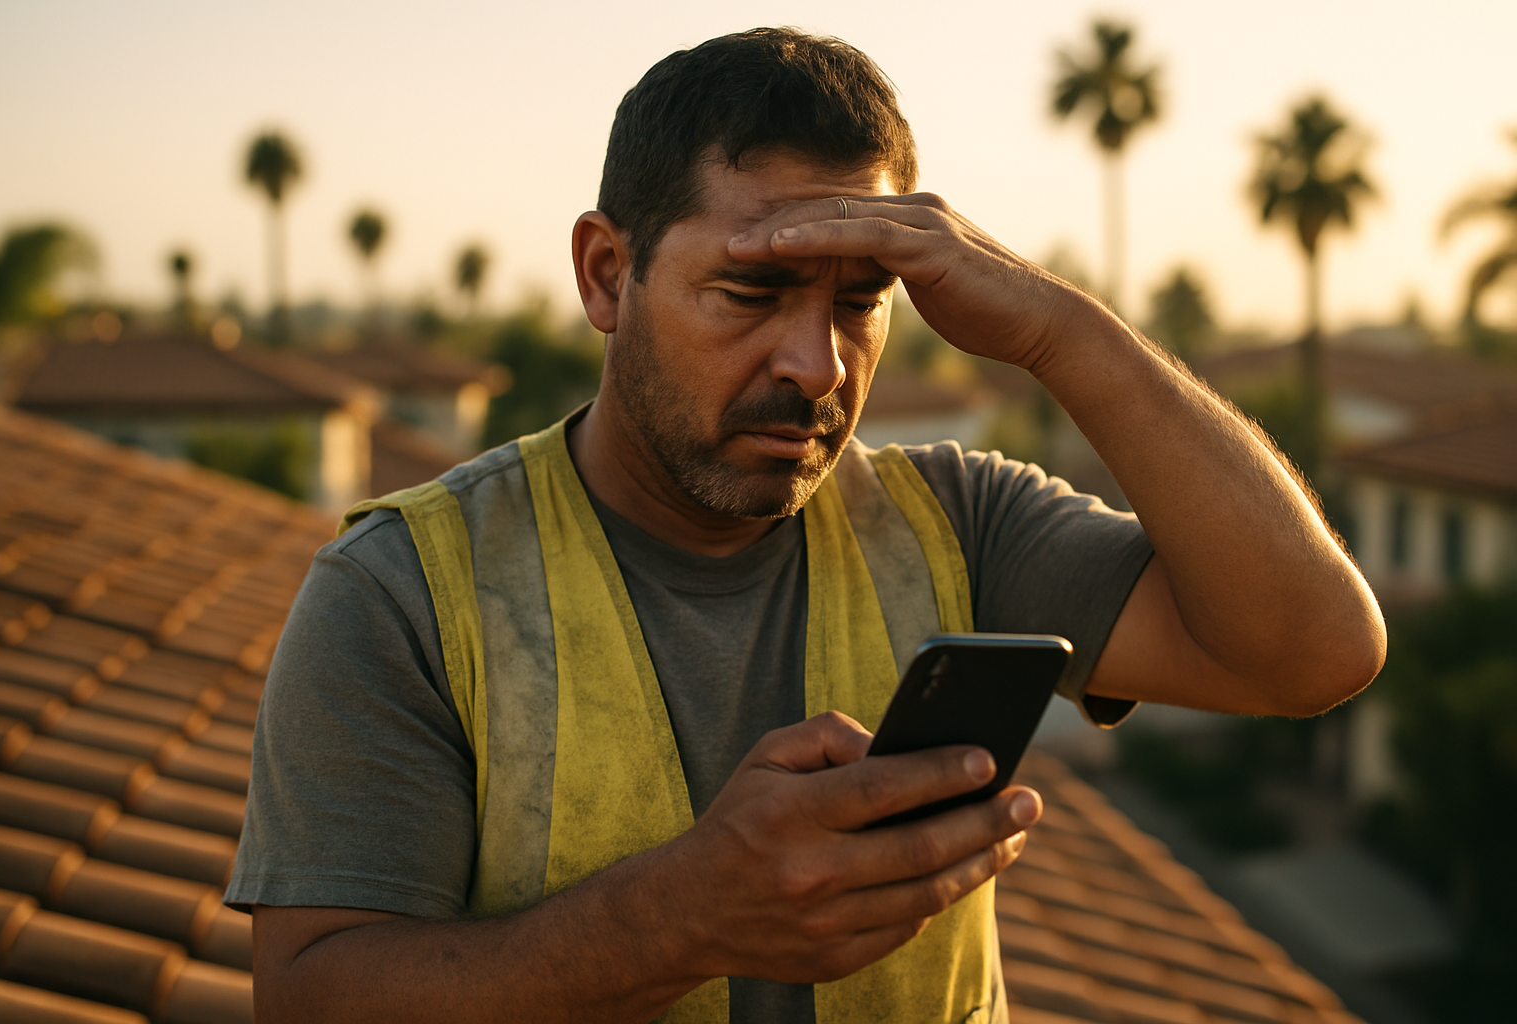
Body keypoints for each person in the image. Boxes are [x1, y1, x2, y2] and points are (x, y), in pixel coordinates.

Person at [228, 27, 1385, 1024]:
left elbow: (1315, 650)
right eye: (750, 292)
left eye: (859, 299)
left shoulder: (961, 522)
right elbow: (313, 1000)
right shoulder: (404, 588)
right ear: (604, 274)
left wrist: (1057, 327)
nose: (816, 362)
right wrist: (684, 915)